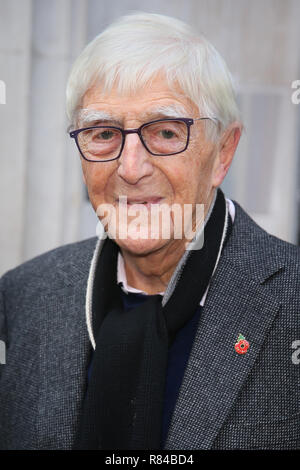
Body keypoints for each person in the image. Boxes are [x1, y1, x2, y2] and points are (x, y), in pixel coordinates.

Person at [0, 12, 299, 451]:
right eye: (103, 133)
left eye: (164, 132)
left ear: (223, 152)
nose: (130, 168)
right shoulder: (22, 296)